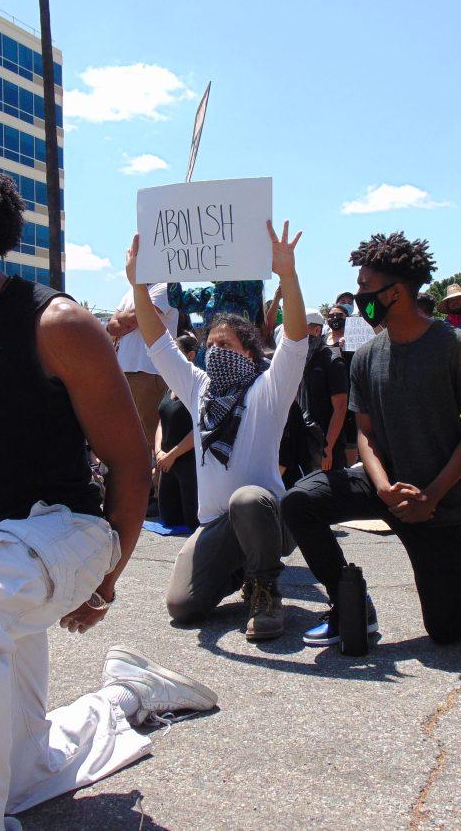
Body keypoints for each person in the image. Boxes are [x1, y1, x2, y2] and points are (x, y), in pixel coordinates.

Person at [0, 147, 215, 829]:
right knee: (15, 770)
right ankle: (127, 696)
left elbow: (130, 464)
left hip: (69, 536)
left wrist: (107, 578)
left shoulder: (57, 325)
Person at [282, 233, 461, 648]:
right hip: (385, 487)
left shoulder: (457, 348)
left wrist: (434, 494)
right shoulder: (367, 355)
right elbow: (364, 431)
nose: (360, 298)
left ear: (396, 293)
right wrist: (382, 486)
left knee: (447, 628)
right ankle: (348, 603)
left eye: (366, 288)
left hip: (441, 504)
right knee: (299, 501)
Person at [129, 221, 309, 641]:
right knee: (182, 607)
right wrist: (139, 286)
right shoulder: (198, 389)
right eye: (211, 344)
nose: (215, 350)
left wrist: (288, 276)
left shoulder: (268, 388)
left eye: (226, 344)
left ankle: (265, 587)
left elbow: (296, 340)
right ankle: (239, 570)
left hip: (269, 518)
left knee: (246, 499)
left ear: (250, 351)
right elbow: (158, 343)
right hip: (215, 526)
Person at [108, 281, 178, 446]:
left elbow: (139, 316)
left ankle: (157, 472)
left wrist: (124, 318)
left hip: (150, 371)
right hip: (125, 371)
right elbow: (112, 326)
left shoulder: (165, 286)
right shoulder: (131, 290)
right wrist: (131, 318)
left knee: (153, 439)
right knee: (131, 436)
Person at [155, 333, 200, 531]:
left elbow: (199, 427)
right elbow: (161, 421)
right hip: (167, 463)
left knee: (193, 521)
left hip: (188, 461)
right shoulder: (170, 383)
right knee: (169, 519)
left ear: (191, 356)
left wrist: (173, 455)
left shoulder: (198, 384)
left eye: (177, 353)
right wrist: (159, 452)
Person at [300, 310, 349, 471]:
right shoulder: (303, 360)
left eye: (303, 329)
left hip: (327, 446)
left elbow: (340, 408)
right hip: (306, 441)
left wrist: (327, 449)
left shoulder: (333, 361)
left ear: (317, 330)